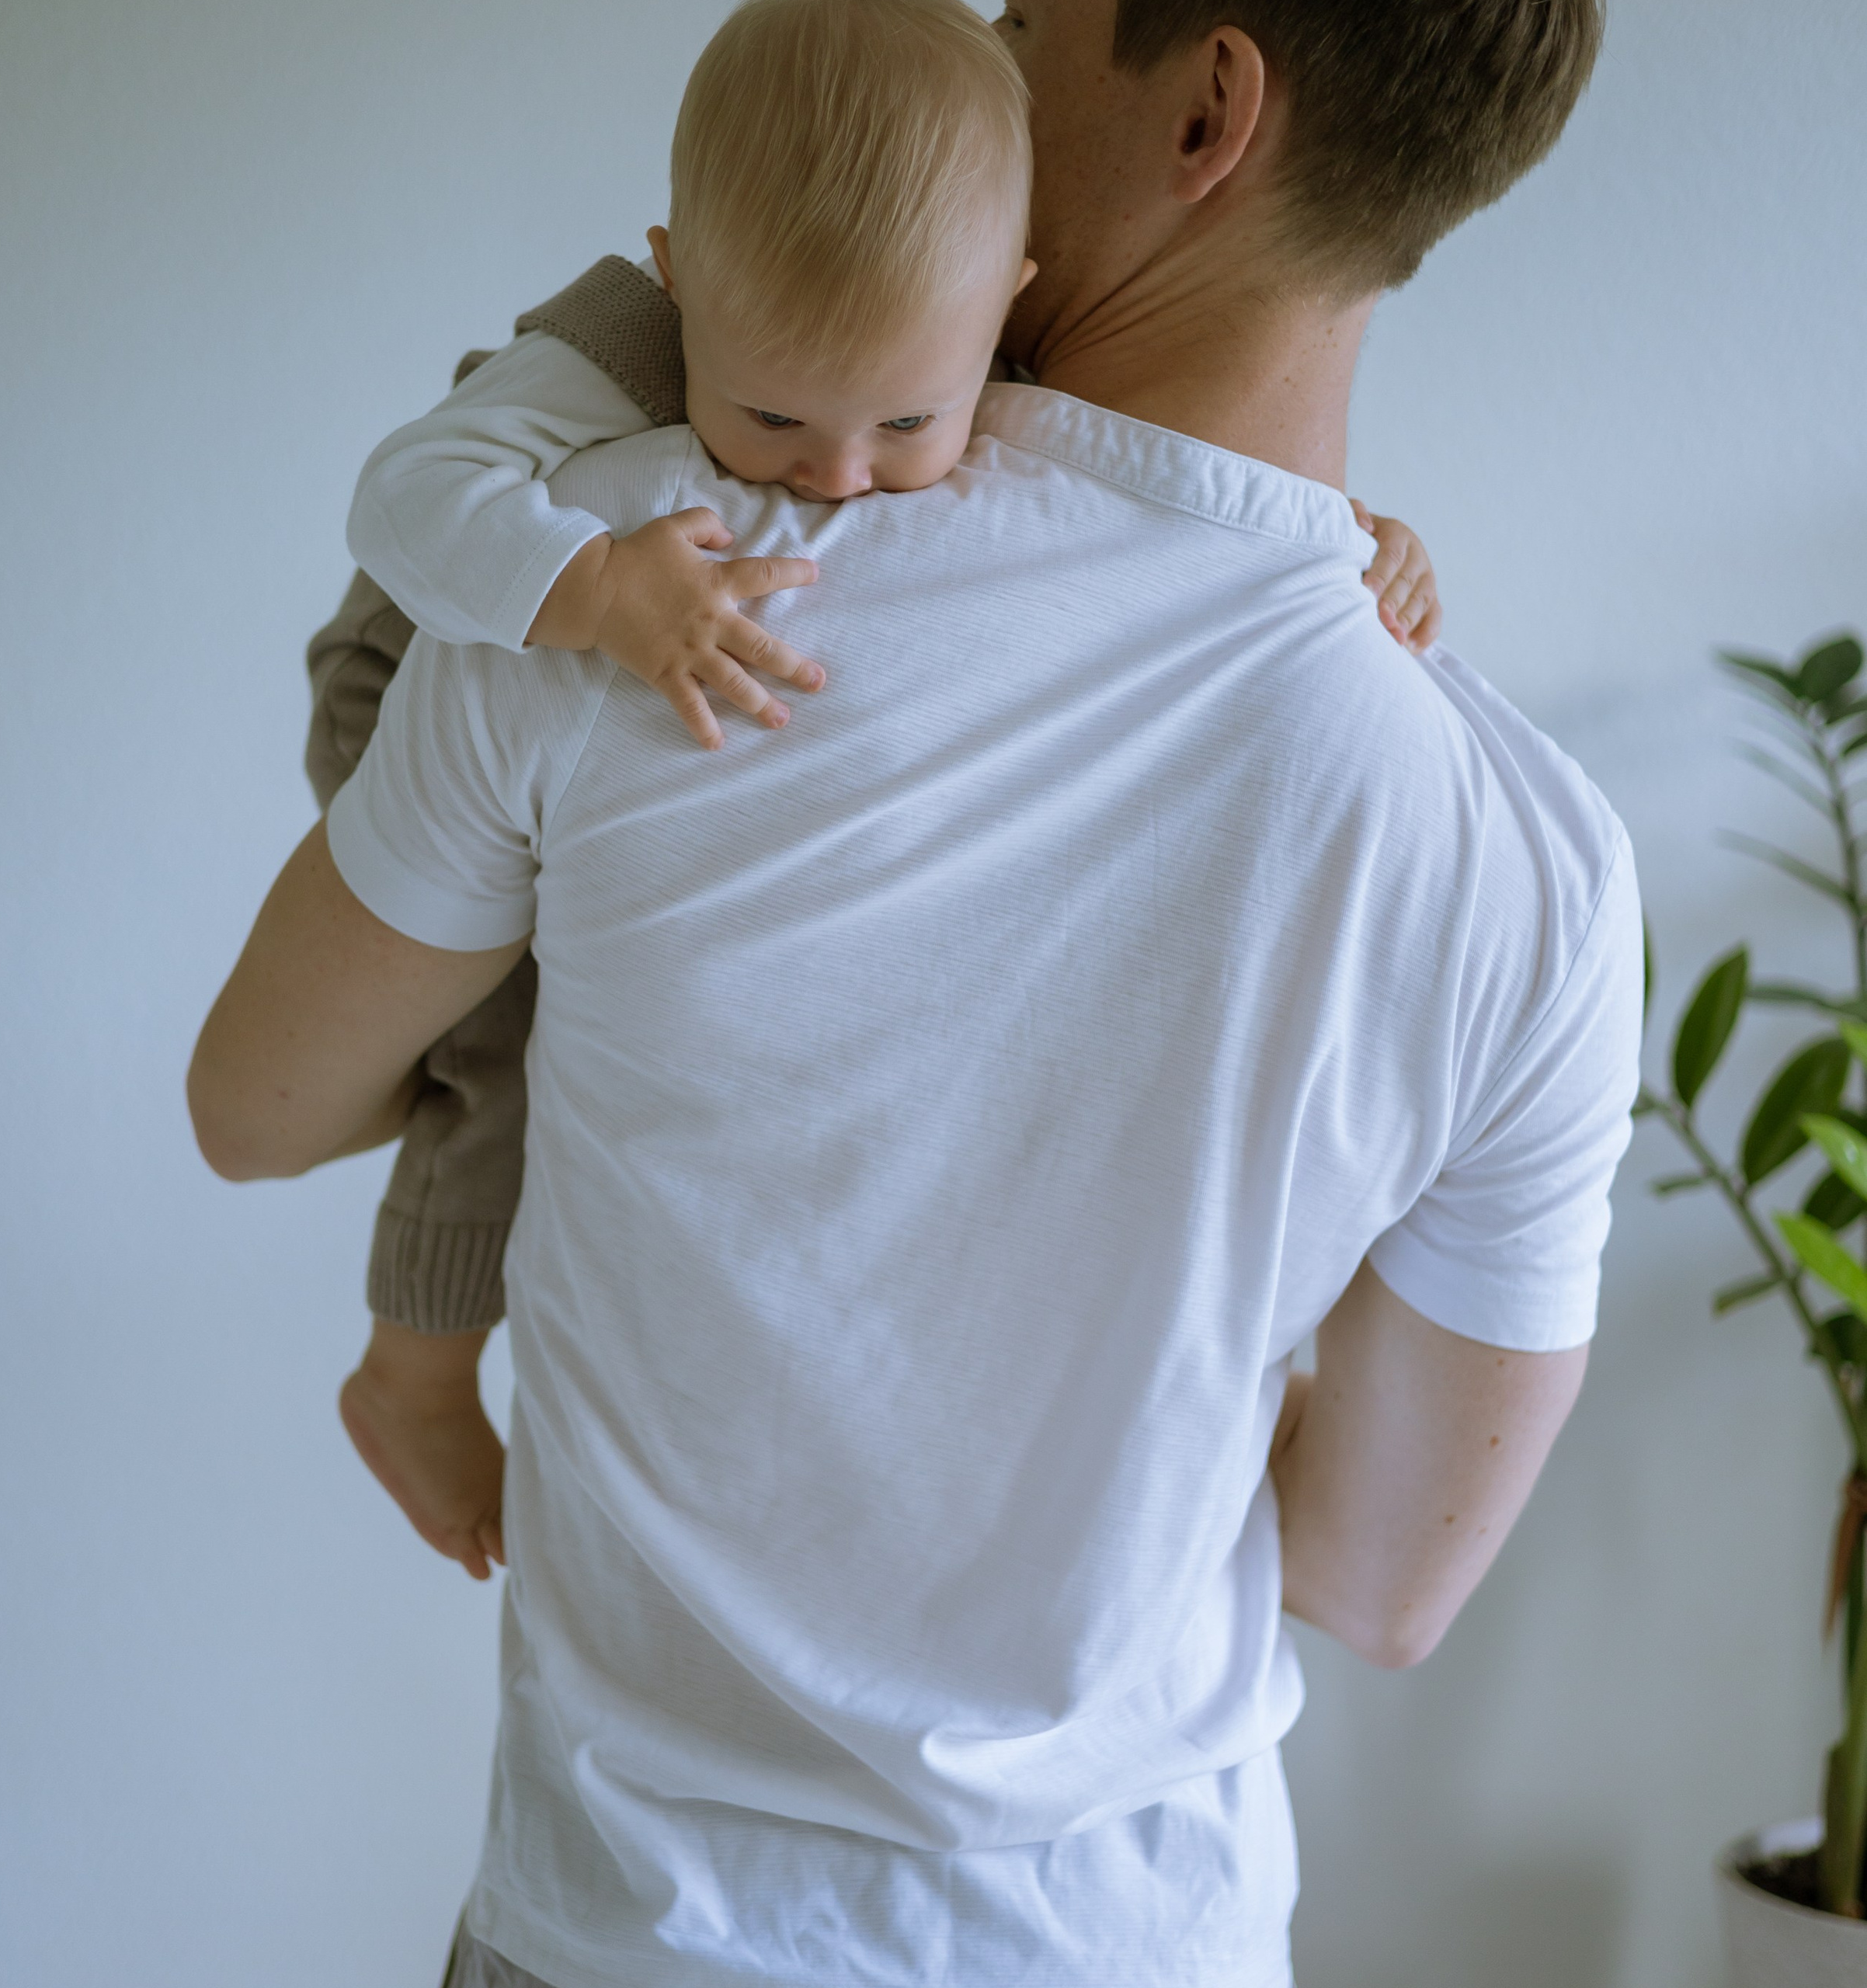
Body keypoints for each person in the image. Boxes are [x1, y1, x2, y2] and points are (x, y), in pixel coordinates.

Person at [191, 2, 1632, 1983]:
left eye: (1029, 20)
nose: (973, 43)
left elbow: (253, 1107)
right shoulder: (1526, 859)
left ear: (1206, 107)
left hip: (635, 1930)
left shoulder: (650, 590)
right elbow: (1376, 1586)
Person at [325, 0, 1442, 1583]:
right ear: (679, 276)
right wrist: (591, 593)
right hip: (433, 642)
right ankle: (415, 1373)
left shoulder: (965, 330)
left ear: (1005, 306)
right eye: (770, 415)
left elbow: (1230, 498)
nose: (834, 478)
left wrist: (1362, 534)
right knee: (501, 1047)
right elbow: (406, 500)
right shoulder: (610, 358)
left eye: (906, 425)